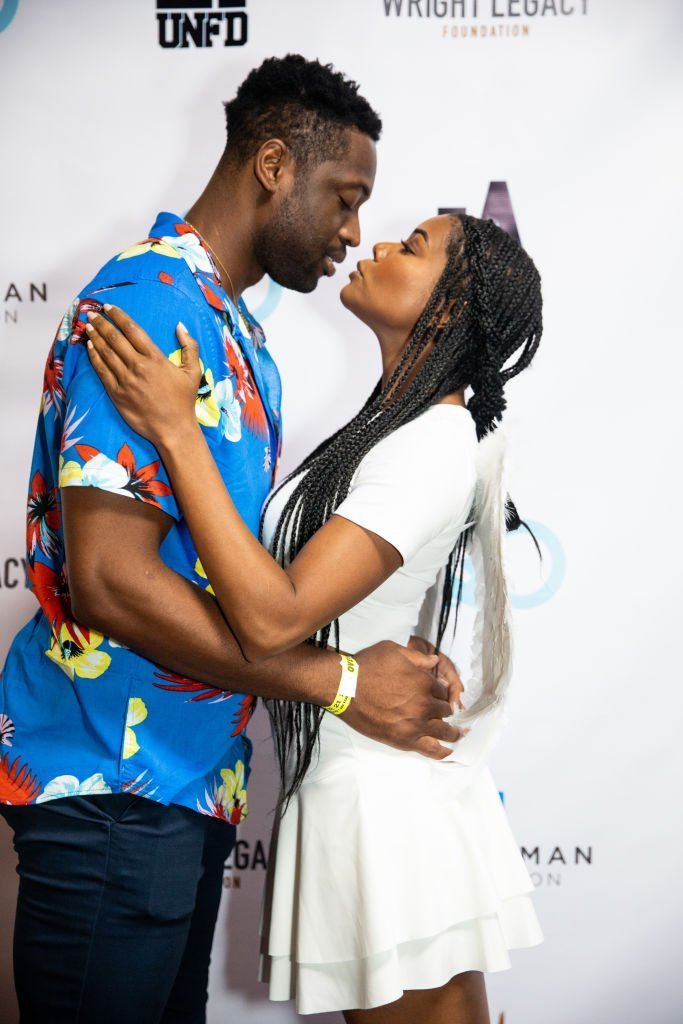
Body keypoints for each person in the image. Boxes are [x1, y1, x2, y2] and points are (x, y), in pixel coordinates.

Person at [0, 56, 464, 1024]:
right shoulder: (155, 304)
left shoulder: (237, 333)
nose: (350, 231)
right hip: (111, 783)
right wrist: (336, 683)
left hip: (181, 787)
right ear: (269, 164)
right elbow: (113, 584)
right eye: (343, 197)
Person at [84, 209, 545, 1023]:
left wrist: (174, 431)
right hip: (350, 785)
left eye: (410, 248)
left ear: (446, 309)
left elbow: (272, 618)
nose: (374, 245)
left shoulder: (431, 442)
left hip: (382, 801)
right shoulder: (392, 431)